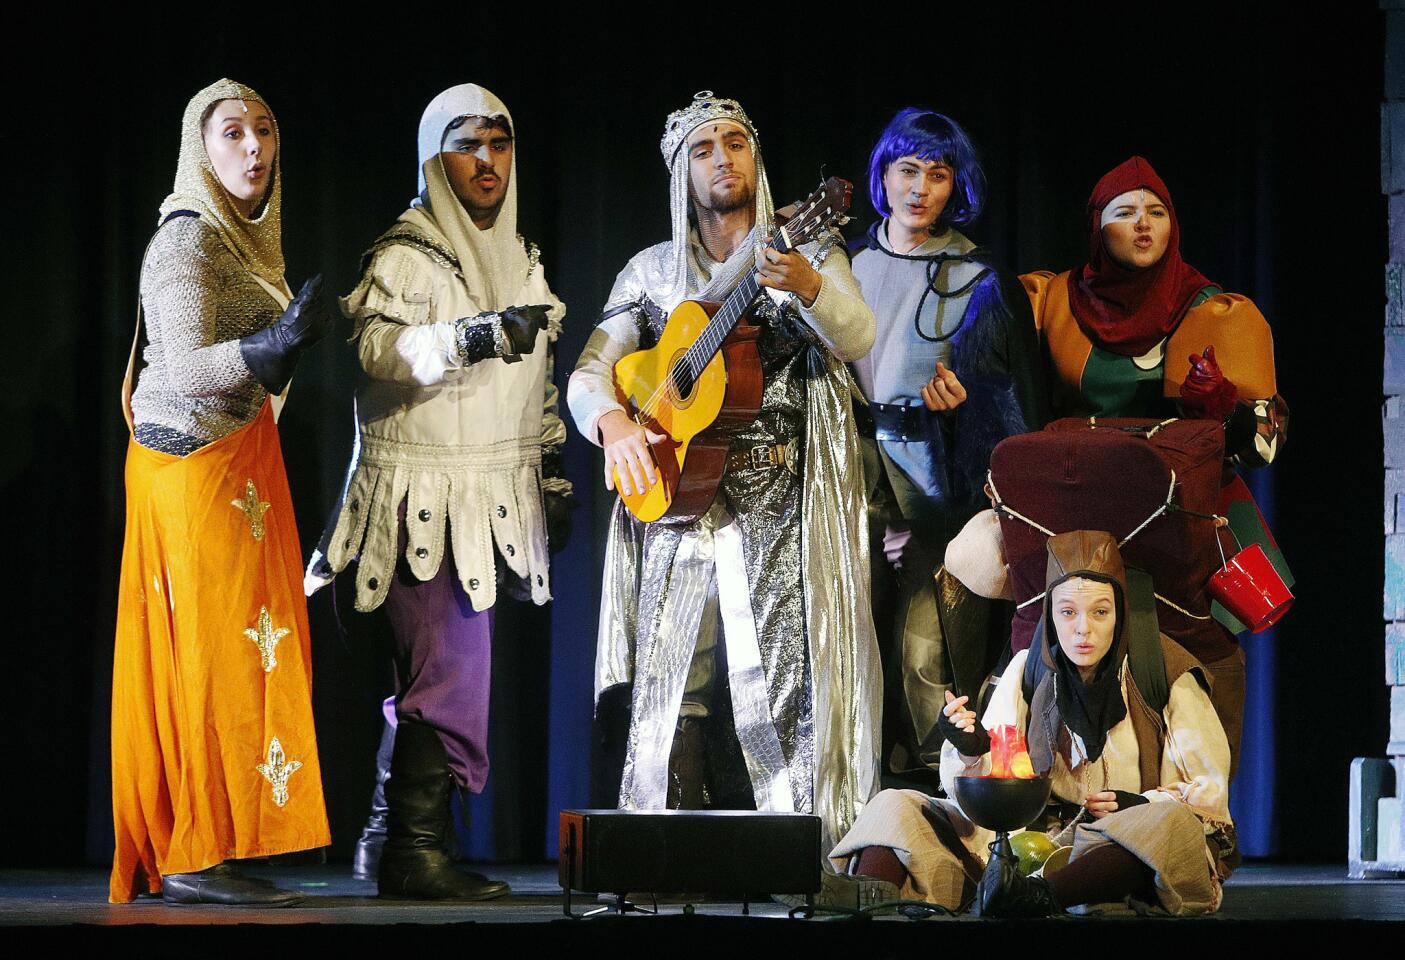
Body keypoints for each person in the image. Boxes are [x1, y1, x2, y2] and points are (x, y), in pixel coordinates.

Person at [567, 91, 881, 852]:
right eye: (702, 148)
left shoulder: (804, 249)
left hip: (785, 492)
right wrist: (612, 422)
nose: (721, 158)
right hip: (680, 493)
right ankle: (669, 850)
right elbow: (588, 372)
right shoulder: (650, 271)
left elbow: (857, 334)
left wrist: (805, 285)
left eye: (734, 142)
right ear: (680, 172)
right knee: (680, 671)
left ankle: (788, 849)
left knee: (786, 670)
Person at [310, 84, 570, 901]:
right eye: (467, 144)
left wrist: (552, 467)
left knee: (443, 676)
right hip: (418, 498)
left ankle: (388, 842)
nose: (486, 160)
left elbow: (538, 381)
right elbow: (379, 350)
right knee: (449, 678)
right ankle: (413, 856)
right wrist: (470, 336)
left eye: (498, 143)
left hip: (485, 495)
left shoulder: (518, 255)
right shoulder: (407, 253)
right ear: (433, 158)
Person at [111, 78, 333, 906]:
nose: (252, 147)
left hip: (235, 467)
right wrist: (268, 345)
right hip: (190, 470)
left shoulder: (246, 241)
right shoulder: (186, 242)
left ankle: (219, 841)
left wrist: (276, 348)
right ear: (197, 151)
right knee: (206, 663)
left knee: (249, 660)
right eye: (232, 133)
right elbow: (178, 370)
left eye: (265, 130)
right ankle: (191, 852)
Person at [1021, 156, 1289, 760]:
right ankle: (1061, 794)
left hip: (1185, 511)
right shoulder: (1052, 302)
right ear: (1098, 226)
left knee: (1205, 649)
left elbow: (1265, 446)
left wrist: (1223, 407)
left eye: (1157, 212)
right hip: (1080, 508)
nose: (1143, 225)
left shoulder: (1213, 310)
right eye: (1125, 212)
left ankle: (1205, 813)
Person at [830, 531, 1235, 917]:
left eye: (1100, 612)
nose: (1083, 629)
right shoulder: (1029, 670)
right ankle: (867, 898)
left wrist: (1143, 805)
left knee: (1171, 825)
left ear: (1121, 614)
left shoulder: (1165, 671)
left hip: (1115, 849)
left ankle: (1037, 897)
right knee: (896, 804)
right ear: (1051, 614)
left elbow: (1208, 796)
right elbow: (991, 784)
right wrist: (971, 748)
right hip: (1029, 845)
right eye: (1068, 612)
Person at [849, 109, 1045, 777]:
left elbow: (1011, 417)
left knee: (923, 656)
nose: (919, 188)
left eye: (937, 174)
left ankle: (947, 806)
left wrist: (962, 415)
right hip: (847, 483)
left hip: (937, 494)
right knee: (849, 651)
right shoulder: (843, 266)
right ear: (882, 176)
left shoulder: (976, 278)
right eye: (907, 170)